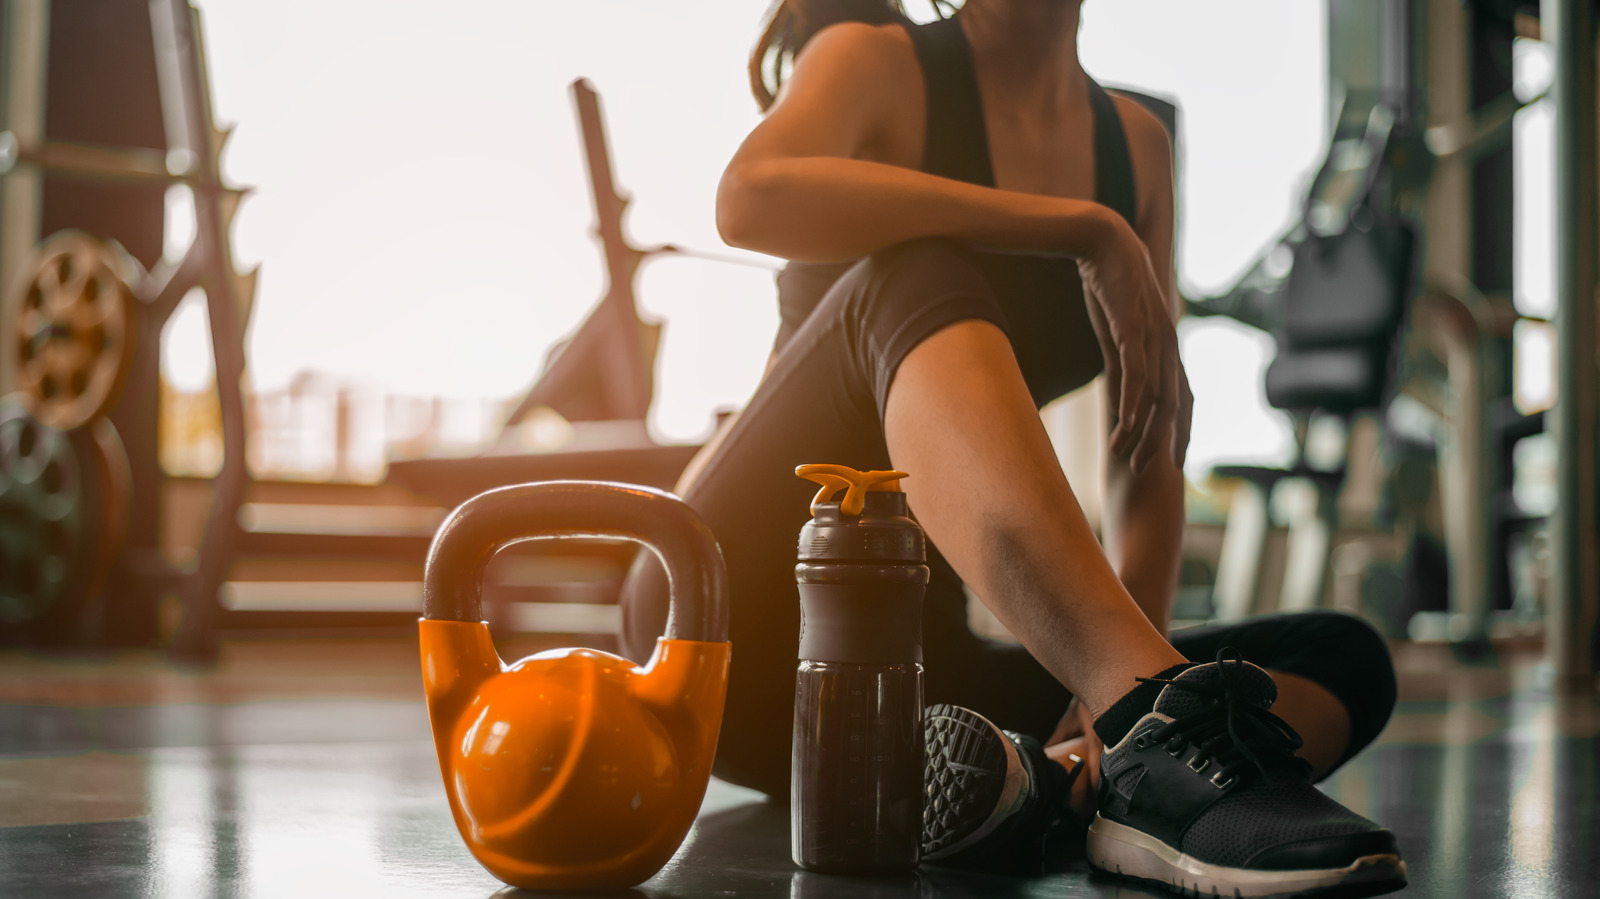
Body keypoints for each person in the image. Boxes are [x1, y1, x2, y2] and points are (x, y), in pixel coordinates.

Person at [621, 1, 1406, 895]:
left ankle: (1073, 777)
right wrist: (1080, 226)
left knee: (1343, 656)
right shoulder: (871, 61)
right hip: (731, 619)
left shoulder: (1136, 145)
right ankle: (1132, 738)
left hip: (918, 671)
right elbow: (747, 197)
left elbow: (1145, 435)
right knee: (913, 264)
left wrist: (1111, 704)